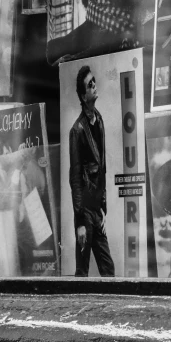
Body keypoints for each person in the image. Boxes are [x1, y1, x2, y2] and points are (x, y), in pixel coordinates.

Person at [69, 65, 115, 277]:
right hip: (84, 214)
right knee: (82, 273)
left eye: (94, 81)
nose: (95, 86)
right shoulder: (77, 131)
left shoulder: (100, 121)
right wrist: (80, 223)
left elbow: (102, 167)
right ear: (82, 95)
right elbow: (76, 179)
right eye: (90, 85)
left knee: (108, 270)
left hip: (96, 211)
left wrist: (102, 207)